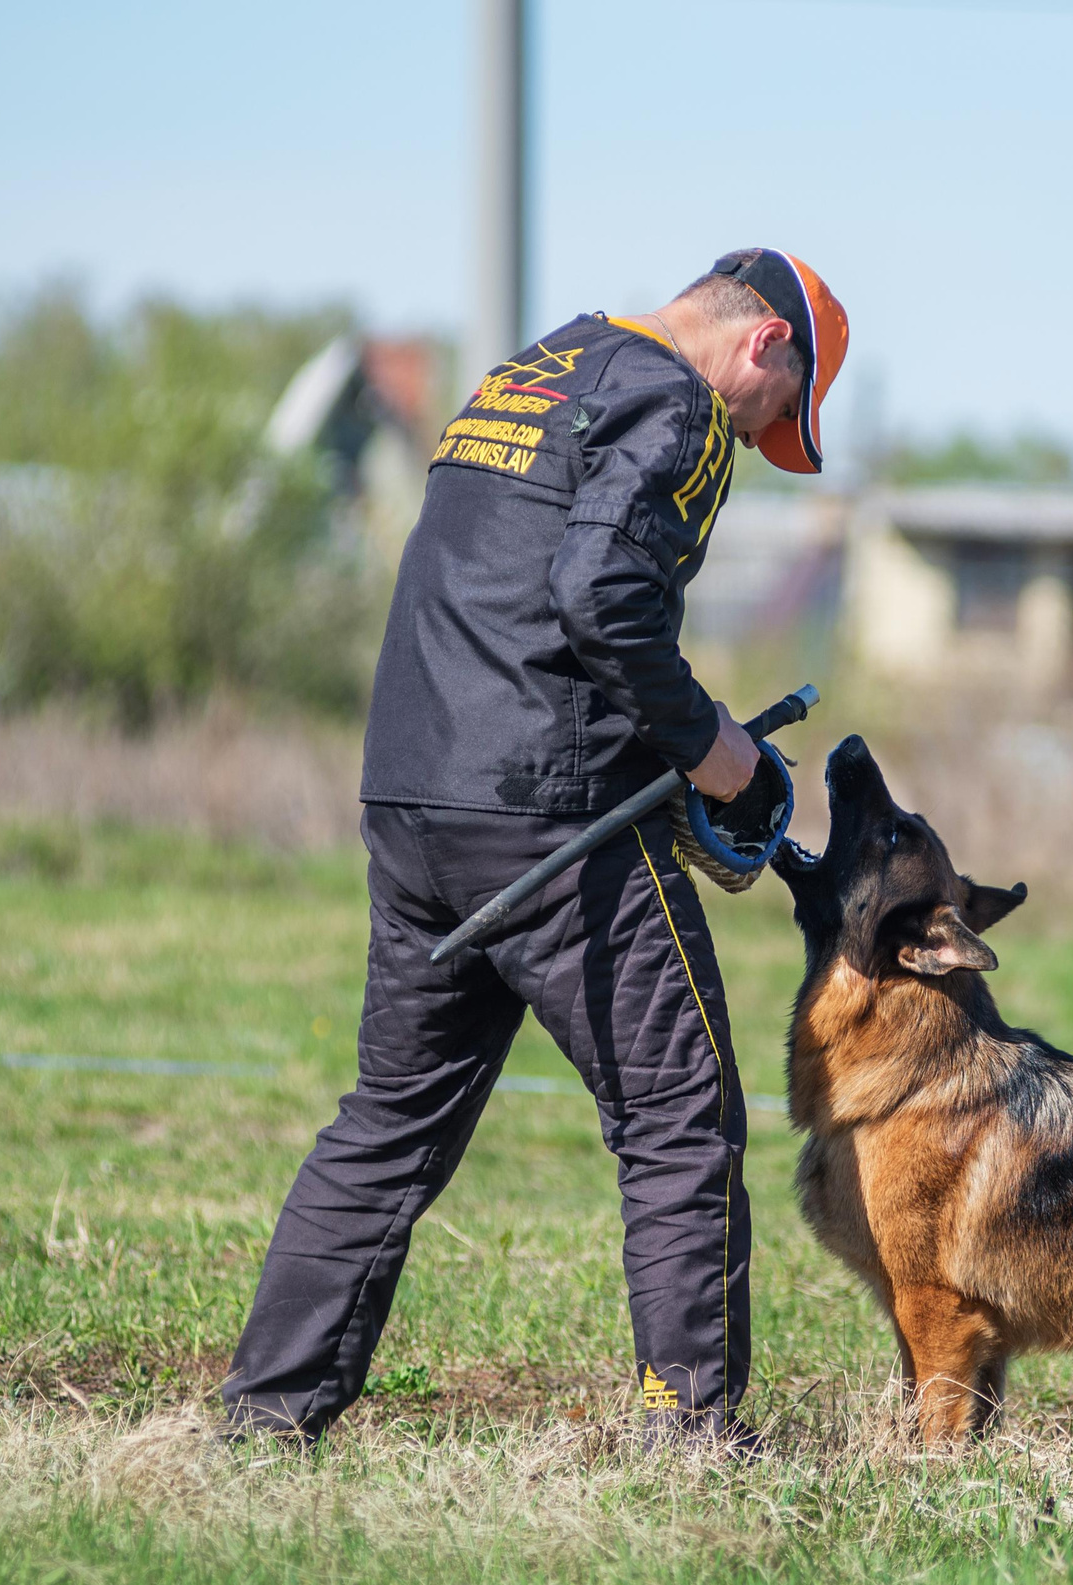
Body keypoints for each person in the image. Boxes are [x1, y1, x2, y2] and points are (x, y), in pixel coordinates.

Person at [224, 249, 849, 1443]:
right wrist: (712, 749)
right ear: (766, 346)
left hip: (415, 797)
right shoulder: (677, 405)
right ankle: (691, 1432)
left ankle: (262, 1412)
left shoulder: (539, 369)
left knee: (389, 1117)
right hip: (549, 823)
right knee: (678, 1113)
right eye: (778, 417)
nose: (763, 440)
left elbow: (507, 585)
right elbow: (597, 597)